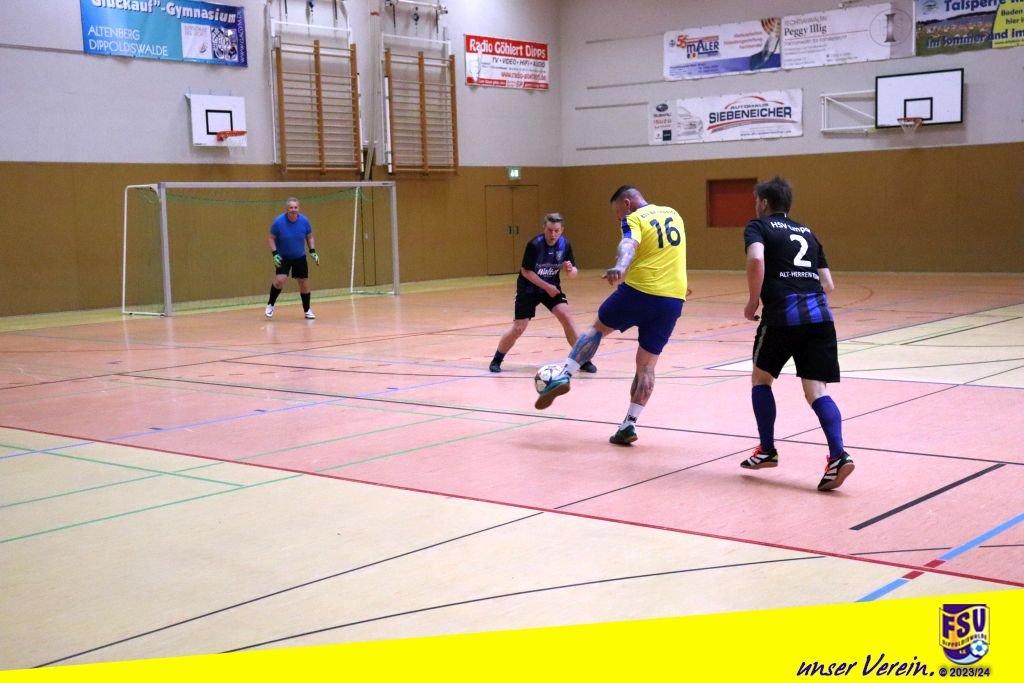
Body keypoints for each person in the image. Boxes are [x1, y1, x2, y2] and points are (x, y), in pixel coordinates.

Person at [534, 186, 687, 448]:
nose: (619, 218)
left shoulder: (634, 218)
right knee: (647, 367)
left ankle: (565, 373)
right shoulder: (673, 214)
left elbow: (628, 244)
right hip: (673, 299)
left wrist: (620, 266)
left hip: (640, 291)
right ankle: (629, 424)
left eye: (618, 213)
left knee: (598, 329)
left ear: (627, 203)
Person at [738, 176, 854, 491]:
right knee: (817, 391)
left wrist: (753, 301)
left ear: (764, 202)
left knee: (761, 380)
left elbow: (756, 258)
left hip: (782, 316)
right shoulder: (808, 232)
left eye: (756, 201)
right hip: (820, 318)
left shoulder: (758, 227)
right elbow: (828, 284)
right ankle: (838, 455)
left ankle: (767, 449)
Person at [490, 213, 597, 374]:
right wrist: (547, 287)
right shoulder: (535, 244)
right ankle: (497, 360)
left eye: (556, 231)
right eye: (549, 230)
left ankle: (582, 360)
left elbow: (573, 273)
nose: (553, 234)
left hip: (551, 288)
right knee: (519, 328)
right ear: (544, 228)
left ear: (562, 230)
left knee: (566, 316)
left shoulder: (565, 244)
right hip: (529, 289)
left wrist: (570, 270)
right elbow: (526, 272)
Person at [265, 197, 319, 320]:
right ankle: (270, 304)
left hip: (299, 257)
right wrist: (275, 253)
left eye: (295, 207)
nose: (293, 209)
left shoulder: (304, 221)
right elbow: (271, 238)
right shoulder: (278, 222)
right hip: (283, 257)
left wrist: (312, 251)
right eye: (291, 208)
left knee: (303, 282)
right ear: (287, 209)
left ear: (298, 208)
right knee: (280, 280)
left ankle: (307, 310)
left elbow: (309, 237)